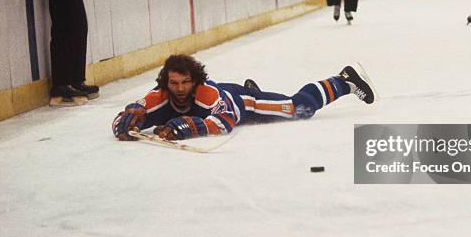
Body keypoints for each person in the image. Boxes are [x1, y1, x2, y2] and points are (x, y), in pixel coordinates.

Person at [112, 54, 375, 141]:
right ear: (166, 82)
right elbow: (130, 114)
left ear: (195, 82)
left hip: (240, 103)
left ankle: (344, 80)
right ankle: (255, 89)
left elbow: (225, 120)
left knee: (300, 107)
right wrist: (126, 123)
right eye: (174, 83)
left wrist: (191, 127)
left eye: (185, 83)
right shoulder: (159, 96)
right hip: (231, 102)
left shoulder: (209, 95)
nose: (179, 89)